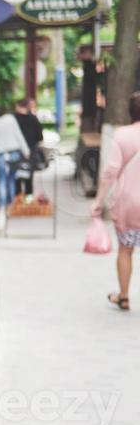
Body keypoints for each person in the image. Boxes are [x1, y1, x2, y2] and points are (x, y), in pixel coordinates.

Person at [91, 92, 140, 310]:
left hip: (129, 203)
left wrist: (98, 201)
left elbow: (111, 171)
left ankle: (124, 296)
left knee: (125, 249)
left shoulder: (121, 135)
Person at [0, 104, 29, 209]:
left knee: (2, 180)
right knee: (11, 179)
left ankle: (2, 206)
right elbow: (18, 134)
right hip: (14, 153)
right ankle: (11, 204)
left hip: (0, 155)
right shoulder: (10, 119)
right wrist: (26, 150)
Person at [12, 98, 45, 197]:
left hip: (16, 150)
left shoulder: (13, 119)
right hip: (31, 150)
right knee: (29, 176)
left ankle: (17, 200)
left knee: (16, 176)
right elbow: (40, 137)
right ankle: (28, 199)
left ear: (17, 106)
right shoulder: (33, 119)